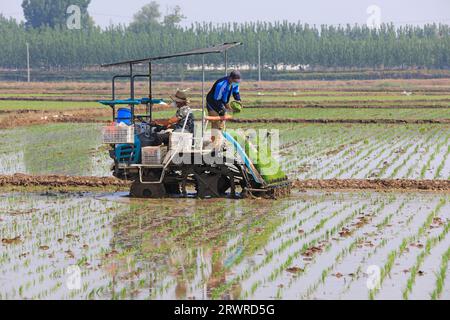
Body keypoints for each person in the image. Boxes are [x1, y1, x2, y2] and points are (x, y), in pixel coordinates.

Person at [206, 70, 242, 149]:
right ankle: (215, 144)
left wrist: (238, 100)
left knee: (222, 124)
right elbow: (217, 99)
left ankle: (220, 142)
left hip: (222, 101)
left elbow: (236, 93)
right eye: (235, 81)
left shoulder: (235, 83)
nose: (236, 83)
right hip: (212, 102)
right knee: (215, 122)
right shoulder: (221, 84)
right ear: (230, 78)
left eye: (237, 81)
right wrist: (224, 108)